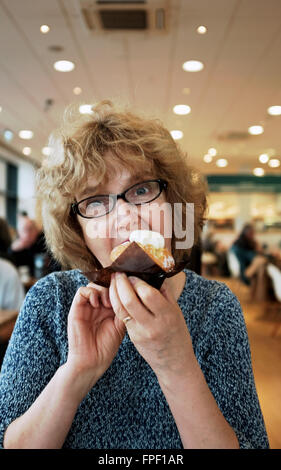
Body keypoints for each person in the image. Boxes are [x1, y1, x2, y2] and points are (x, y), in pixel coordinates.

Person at [0, 101, 269, 449]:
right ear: (78, 229)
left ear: (174, 203)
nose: (126, 217)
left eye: (141, 190)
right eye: (95, 201)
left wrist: (176, 364)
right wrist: (78, 369)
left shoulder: (216, 308)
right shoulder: (52, 302)